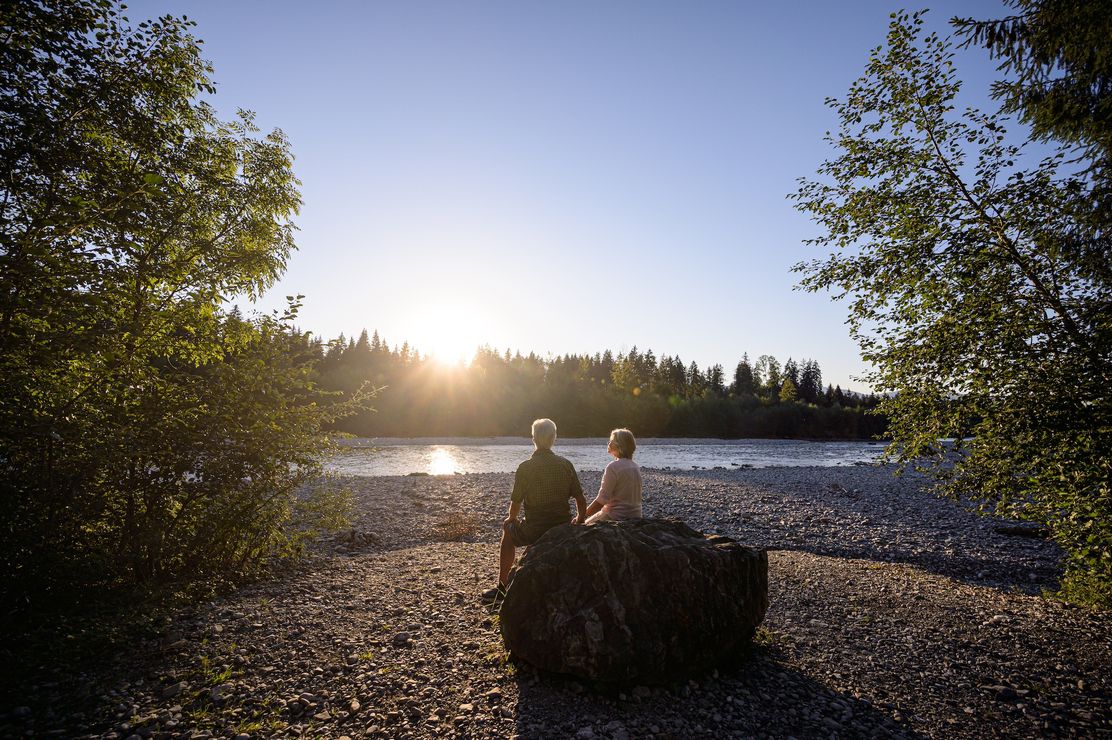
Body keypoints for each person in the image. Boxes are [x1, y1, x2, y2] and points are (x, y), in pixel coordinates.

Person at [482, 418, 586, 603]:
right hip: (561, 525)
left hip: (534, 529)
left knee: (508, 531)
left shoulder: (525, 468)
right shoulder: (565, 464)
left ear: (533, 439)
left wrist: (511, 519)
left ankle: (502, 586)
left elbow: (516, 502)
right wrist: (580, 519)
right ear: (554, 438)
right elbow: (580, 498)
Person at [583, 428, 643, 524]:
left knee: (584, 524)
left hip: (616, 516)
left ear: (619, 445)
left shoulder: (613, 467)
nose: (609, 444)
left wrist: (582, 515)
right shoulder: (635, 466)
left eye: (612, 441)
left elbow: (601, 500)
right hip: (636, 515)